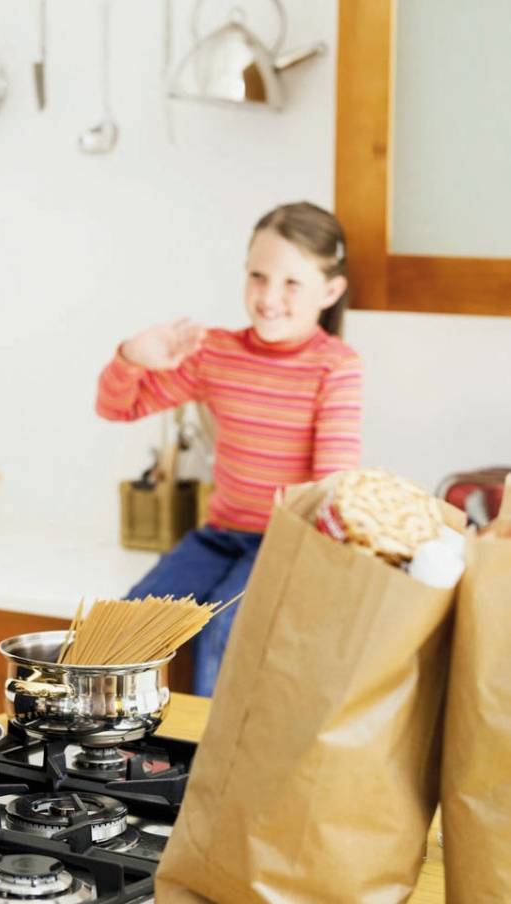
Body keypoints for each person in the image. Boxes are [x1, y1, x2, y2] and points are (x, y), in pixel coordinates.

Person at [96, 202, 362, 696]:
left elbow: (331, 485)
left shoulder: (336, 367)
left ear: (330, 291)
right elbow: (117, 407)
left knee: (223, 630)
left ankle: (210, 747)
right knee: (128, 623)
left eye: (291, 283)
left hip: (285, 542)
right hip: (220, 536)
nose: (269, 297)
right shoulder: (217, 353)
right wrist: (133, 356)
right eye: (258, 276)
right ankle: (123, 741)